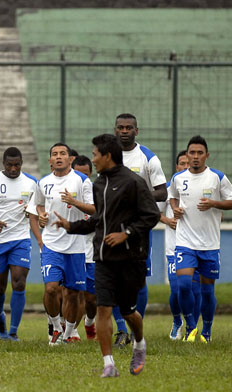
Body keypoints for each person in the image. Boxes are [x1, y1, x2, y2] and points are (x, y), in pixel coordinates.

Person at [54, 134, 159, 377]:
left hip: (130, 259)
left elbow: (151, 215)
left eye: (95, 154)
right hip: (103, 260)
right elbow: (98, 220)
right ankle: (109, 364)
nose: (93, 159)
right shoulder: (99, 184)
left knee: (127, 311)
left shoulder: (134, 182)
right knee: (103, 308)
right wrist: (71, 227)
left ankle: (139, 342)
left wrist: (126, 234)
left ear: (107, 156)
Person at [169, 135, 232, 343]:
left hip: (209, 244)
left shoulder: (217, 177)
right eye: (192, 153)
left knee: (207, 291)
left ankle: (206, 330)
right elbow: (172, 196)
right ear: (187, 155)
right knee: (183, 285)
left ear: (207, 155)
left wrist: (213, 203)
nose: (196, 157)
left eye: (200, 153)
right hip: (185, 242)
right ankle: (191, 326)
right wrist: (175, 208)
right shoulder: (178, 178)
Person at [29, 142, 95, 345]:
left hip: (76, 246)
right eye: (55, 154)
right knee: (51, 289)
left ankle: (68, 334)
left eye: (63, 154)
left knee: (74, 294)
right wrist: (41, 216)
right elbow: (38, 205)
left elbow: (93, 209)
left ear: (70, 159)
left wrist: (74, 202)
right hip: (51, 245)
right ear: (50, 160)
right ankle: (56, 327)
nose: (59, 157)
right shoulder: (43, 182)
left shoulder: (81, 181)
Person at [113, 113, 166, 347]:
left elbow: (162, 192)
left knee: (138, 280)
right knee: (113, 279)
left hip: (139, 228)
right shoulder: (107, 154)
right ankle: (121, 330)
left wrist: (135, 195)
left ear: (137, 130)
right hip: (113, 225)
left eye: (129, 127)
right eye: (121, 127)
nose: (124, 131)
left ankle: (137, 330)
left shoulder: (148, 158)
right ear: (115, 130)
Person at [0, 147, 37, 341]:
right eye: (9, 165)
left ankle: (13, 331)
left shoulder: (31, 183)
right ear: (3, 164)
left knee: (19, 282)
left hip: (20, 239)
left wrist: (33, 212)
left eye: (17, 165)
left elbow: (37, 207)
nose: (13, 168)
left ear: (21, 163)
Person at [158, 150, 201, 340]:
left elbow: (218, 214)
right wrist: (168, 221)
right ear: (177, 167)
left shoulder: (203, 186)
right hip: (174, 248)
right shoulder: (168, 189)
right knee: (177, 290)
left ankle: (193, 329)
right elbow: (155, 213)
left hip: (199, 246)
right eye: (181, 164)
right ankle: (177, 321)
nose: (185, 166)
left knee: (196, 290)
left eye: (187, 163)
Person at [71, 155, 97, 340]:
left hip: (92, 253)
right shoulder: (65, 192)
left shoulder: (97, 193)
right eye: (78, 174)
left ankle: (89, 322)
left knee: (91, 298)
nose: (81, 179)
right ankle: (71, 331)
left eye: (85, 175)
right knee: (73, 293)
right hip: (72, 251)